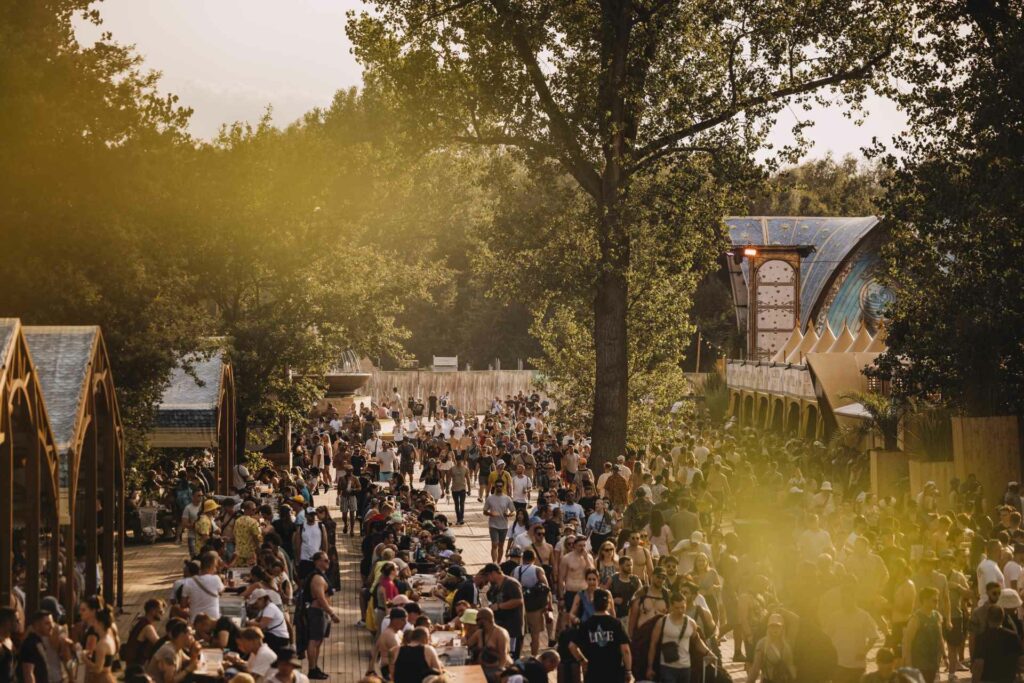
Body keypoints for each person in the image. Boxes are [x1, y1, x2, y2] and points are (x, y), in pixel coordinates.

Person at [646, 592, 714, 683]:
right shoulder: (662, 622)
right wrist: (649, 667)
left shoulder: (691, 623)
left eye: (683, 607)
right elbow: (653, 644)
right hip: (667, 667)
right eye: (677, 608)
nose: (680, 610)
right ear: (671, 606)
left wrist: (708, 652)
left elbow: (697, 641)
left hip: (685, 667)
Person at [568, 589, 632, 683]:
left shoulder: (586, 624)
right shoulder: (615, 624)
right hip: (614, 674)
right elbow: (625, 650)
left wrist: (583, 661)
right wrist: (628, 671)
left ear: (593, 603)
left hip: (593, 674)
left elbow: (572, 646)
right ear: (609, 604)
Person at [302, 551, 340, 680]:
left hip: (321, 613)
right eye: (325, 560)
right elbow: (320, 598)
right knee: (314, 641)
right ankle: (312, 669)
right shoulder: (317, 578)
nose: (327, 562)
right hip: (317, 612)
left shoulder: (321, 575)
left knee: (318, 641)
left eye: (327, 560)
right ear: (317, 562)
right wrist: (332, 613)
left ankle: (315, 666)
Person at [482, 563, 526, 660]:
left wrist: (499, 606)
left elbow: (518, 600)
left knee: (511, 656)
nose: (488, 579)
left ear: (493, 573)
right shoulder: (495, 586)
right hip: (502, 625)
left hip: (513, 627)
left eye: (488, 576)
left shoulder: (511, 583)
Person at [513, 549, 551, 656]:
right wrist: (548, 605)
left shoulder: (515, 570)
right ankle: (534, 656)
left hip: (520, 606)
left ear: (522, 558)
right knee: (535, 635)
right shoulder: (538, 570)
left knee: (520, 634)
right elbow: (546, 587)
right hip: (535, 607)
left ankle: (518, 656)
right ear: (534, 559)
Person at [970, 605, 1022, 683]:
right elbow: (1021, 660)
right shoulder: (1013, 636)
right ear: (1002, 617)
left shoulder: (982, 638)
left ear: (987, 618)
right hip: (1008, 679)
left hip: (987, 679)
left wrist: (974, 680)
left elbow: (979, 665)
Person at [903, 587, 944, 683]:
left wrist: (945, 656)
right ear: (925, 600)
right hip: (919, 662)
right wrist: (908, 662)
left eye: (937, 600)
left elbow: (940, 637)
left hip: (933, 661)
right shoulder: (916, 619)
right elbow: (907, 642)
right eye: (934, 600)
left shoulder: (937, 616)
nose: (937, 603)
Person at [146, 618, 200, 683]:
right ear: (182, 635)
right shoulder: (169, 652)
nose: (193, 638)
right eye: (190, 635)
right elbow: (169, 681)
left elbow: (190, 662)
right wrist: (188, 670)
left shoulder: (176, 647)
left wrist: (194, 653)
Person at [747, 613, 795, 683]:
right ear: (768, 627)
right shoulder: (762, 644)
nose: (775, 629)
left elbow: (790, 667)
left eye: (778, 626)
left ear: (782, 628)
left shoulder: (786, 645)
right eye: (772, 626)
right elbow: (755, 669)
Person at [470, 608, 513, 683]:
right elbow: (467, 644)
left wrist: (500, 670)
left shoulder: (500, 633)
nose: (476, 622)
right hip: (482, 667)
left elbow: (504, 656)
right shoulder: (479, 632)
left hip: (496, 668)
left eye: (477, 620)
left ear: (485, 619)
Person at [122, 598, 166, 669]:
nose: (163, 613)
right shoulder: (147, 627)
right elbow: (159, 644)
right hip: (139, 666)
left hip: (133, 664)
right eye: (160, 611)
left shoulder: (141, 621)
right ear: (152, 610)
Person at [181, 550, 224, 622]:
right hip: (213, 619)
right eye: (215, 567)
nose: (215, 570)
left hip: (195, 620)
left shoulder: (188, 582)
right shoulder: (216, 579)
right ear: (212, 566)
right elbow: (221, 591)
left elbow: (183, 605)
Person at [247, 589, 290, 656]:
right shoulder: (265, 608)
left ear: (263, 599)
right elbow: (258, 619)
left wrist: (248, 623)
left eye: (256, 603)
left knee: (254, 640)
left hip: (279, 638)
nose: (255, 606)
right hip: (274, 636)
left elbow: (261, 625)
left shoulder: (270, 608)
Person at [485, 481, 517, 563]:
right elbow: (484, 511)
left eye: (500, 486)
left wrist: (509, 514)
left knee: (501, 545)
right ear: (495, 487)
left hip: (504, 525)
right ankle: (494, 562)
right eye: (497, 486)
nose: (499, 487)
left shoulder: (507, 498)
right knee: (494, 544)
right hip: (493, 525)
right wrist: (490, 513)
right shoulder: (490, 498)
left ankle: (499, 563)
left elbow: (513, 511)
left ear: (503, 487)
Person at [19, 611, 54, 683]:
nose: (51, 626)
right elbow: (28, 673)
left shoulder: (39, 641)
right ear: (37, 625)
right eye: (47, 623)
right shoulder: (30, 644)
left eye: (52, 623)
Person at [372, 607, 407, 679]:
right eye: (403, 620)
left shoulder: (397, 632)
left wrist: (370, 668)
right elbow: (399, 656)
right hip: (388, 670)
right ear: (394, 620)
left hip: (391, 667)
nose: (405, 623)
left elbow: (375, 649)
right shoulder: (390, 635)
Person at [450, 455, 471, 525]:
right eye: (457, 460)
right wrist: (446, 488)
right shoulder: (452, 469)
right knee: (456, 504)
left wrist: (469, 490)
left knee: (462, 504)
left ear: (462, 460)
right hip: (454, 489)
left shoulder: (465, 469)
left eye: (460, 460)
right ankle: (458, 518)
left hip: (462, 489)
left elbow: (468, 480)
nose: (459, 461)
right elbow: (449, 479)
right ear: (455, 460)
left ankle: (461, 518)